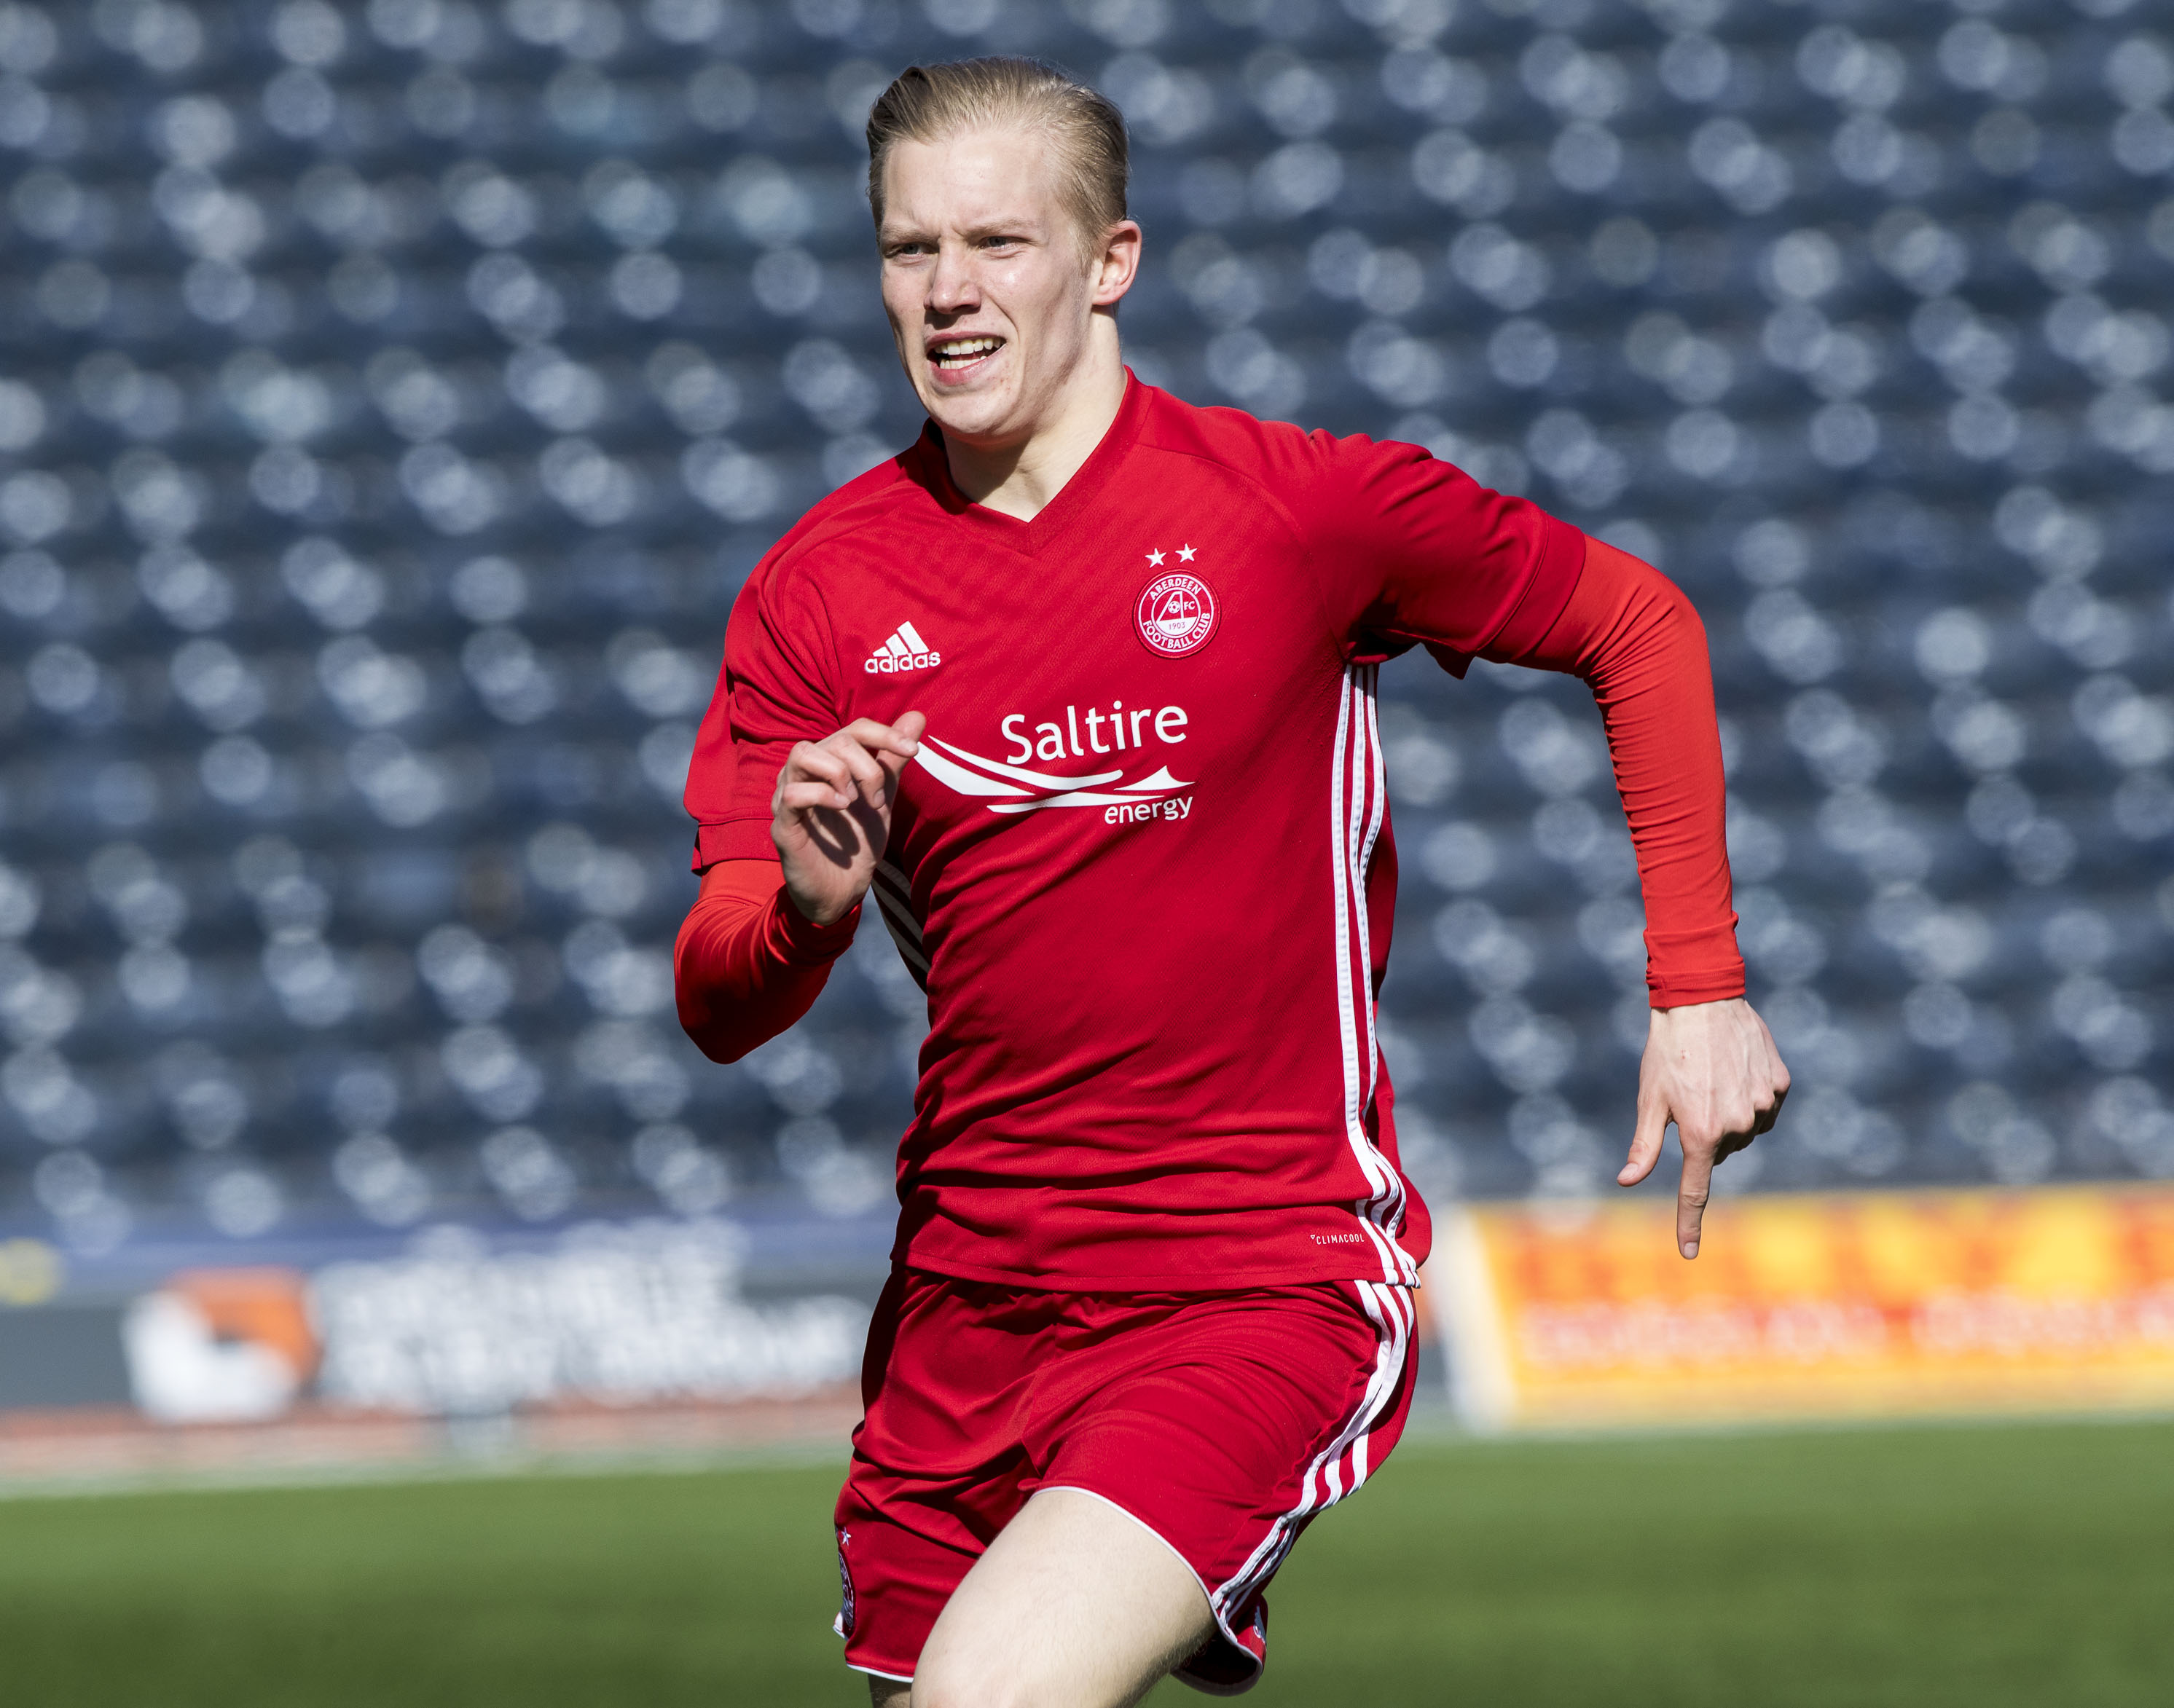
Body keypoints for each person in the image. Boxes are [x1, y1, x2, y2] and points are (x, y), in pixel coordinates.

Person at [675, 55, 1789, 1708]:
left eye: (998, 243)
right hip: (965, 1303)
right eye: (910, 251)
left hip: (1250, 1279)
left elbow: (1637, 624)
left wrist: (1697, 982)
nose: (949, 293)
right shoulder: (818, 592)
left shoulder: (1300, 511)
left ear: (1110, 260)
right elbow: (719, 997)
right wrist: (807, 905)